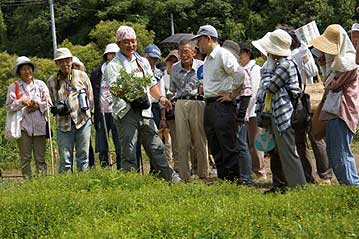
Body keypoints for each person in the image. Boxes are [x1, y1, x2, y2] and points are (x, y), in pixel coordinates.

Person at [104, 25, 180, 182]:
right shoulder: (114, 65)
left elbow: (151, 84)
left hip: (145, 112)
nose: (131, 45)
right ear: (118, 43)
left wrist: (161, 98)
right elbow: (115, 89)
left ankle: (171, 180)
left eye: (133, 41)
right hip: (126, 113)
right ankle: (131, 184)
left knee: (156, 147)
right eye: (126, 42)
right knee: (129, 151)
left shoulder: (143, 62)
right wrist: (133, 96)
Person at [254, 29, 307, 188]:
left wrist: (266, 71)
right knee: (282, 153)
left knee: (289, 153)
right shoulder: (281, 64)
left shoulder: (285, 65)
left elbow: (269, 87)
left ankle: (299, 187)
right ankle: (287, 185)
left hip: (284, 116)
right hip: (278, 115)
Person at [193, 24, 247, 181]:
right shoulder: (208, 59)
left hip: (222, 104)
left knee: (227, 143)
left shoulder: (223, 54)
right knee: (214, 142)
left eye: (200, 40)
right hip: (209, 104)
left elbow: (240, 74)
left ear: (208, 39)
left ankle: (234, 180)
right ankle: (224, 179)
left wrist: (233, 95)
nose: (198, 45)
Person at [310, 24, 359, 186]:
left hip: (343, 110)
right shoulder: (340, 61)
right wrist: (324, 63)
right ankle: (349, 185)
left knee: (341, 152)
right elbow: (328, 81)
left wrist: (326, 64)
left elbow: (332, 84)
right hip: (334, 110)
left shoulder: (349, 61)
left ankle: (352, 186)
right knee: (334, 151)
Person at [47, 48, 94, 173]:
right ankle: (66, 186)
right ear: (56, 63)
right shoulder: (52, 81)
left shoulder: (82, 75)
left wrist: (89, 114)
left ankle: (83, 184)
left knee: (83, 156)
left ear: (71, 61)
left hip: (82, 120)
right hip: (63, 124)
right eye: (61, 61)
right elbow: (50, 102)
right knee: (65, 159)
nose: (65, 64)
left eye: (67, 60)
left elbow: (90, 98)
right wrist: (58, 108)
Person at [170, 39, 209, 181]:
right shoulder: (174, 67)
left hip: (197, 101)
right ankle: (184, 175)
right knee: (182, 140)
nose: (183, 55)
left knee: (199, 138)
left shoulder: (202, 66)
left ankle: (203, 173)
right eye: (180, 52)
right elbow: (172, 89)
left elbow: (207, 84)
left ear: (193, 52)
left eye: (186, 51)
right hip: (180, 102)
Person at [6, 56, 51, 179]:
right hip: (23, 127)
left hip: (40, 125)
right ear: (19, 72)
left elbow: (49, 104)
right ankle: (28, 183)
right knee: (25, 158)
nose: (27, 72)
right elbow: (9, 106)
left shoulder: (41, 85)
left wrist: (36, 105)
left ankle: (42, 181)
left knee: (40, 158)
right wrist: (21, 102)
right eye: (24, 69)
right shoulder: (14, 86)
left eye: (29, 68)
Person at [222, 40, 253, 185]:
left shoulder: (242, 71)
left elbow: (247, 95)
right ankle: (238, 176)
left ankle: (246, 178)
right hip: (230, 114)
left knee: (241, 146)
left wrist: (240, 118)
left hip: (239, 115)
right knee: (234, 146)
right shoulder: (228, 72)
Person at [89, 44, 122, 169]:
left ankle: (121, 169)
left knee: (119, 144)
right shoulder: (97, 73)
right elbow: (92, 92)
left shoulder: (122, 70)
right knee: (102, 145)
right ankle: (104, 169)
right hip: (101, 113)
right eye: (110, 53)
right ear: (106, 55)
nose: (112, 56)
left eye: (115, 54)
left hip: (117, 112)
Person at [238, 42, 267, 180]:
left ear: (248, 54)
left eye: (241, 54)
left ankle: (260, 172)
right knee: (248, 143)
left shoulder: (255, 69)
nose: (239, 57)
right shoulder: (240, 69)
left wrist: (247, 112)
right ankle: (254, 170)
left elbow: (253, 93)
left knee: (256, 144)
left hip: (253, 111)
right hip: (245, 112)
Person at [72, 56, 96, 168]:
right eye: (73, 66)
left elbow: (91, 97)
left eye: (77, 65)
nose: (74, 68)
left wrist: (91, 113)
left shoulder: (85, 78)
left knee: (87, 146)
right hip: (69, 119)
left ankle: (91, 166)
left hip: (84, 117)